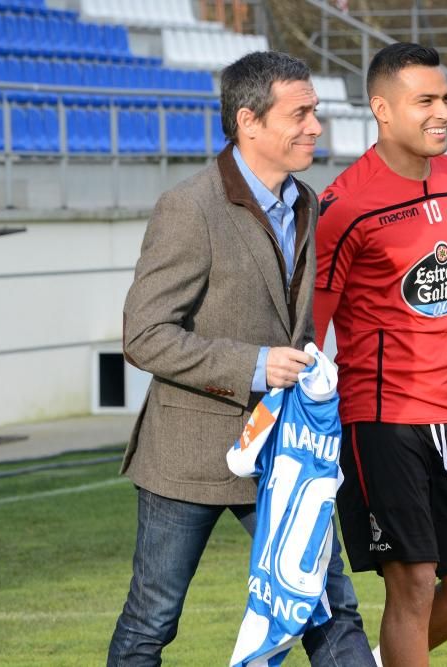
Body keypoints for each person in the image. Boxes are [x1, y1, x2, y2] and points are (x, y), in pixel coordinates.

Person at [108, 51, 375, 667]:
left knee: (330, 610)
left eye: (316, 112)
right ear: (249, 121)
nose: (316, 126)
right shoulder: (188, 208)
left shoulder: (307, 200)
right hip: (188, 458)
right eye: (301, 113)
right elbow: (144, 335)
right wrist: (254, 365)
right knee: (151, 623)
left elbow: (295, 324)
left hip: (288, 455)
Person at [313, 43, 447, 667]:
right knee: (410, 584)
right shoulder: (344, 207)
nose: (446, 113)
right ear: (382, 109)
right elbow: (314, 327)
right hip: (381, 421)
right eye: (427, 101)